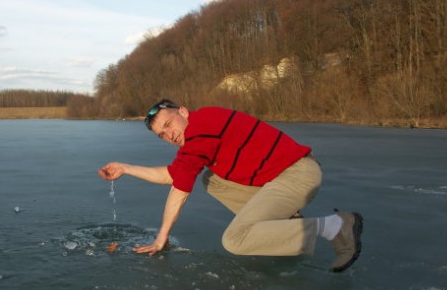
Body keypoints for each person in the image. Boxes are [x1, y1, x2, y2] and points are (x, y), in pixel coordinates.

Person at [98, 99, 363, 272]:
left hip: (297, 175)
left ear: (183, 112)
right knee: (211, 180)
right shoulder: (201, 129)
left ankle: (336, 226)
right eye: (162, 134)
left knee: (236, 240)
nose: (170, 135)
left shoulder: (201, 130)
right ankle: (287, 221)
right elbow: (173, 175)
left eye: (169, 124)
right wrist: (125, 168)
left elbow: (179, 189)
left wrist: (161, 237)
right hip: (284, 175)